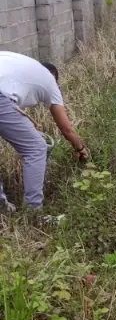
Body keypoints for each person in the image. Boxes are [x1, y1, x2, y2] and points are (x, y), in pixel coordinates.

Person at [0, 51, 88, 211]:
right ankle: (33, 212)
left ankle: (1, 205)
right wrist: (80, 148)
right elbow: (66, 129)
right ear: (54, 75)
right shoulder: (49, 81)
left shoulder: (20, 65)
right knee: (36, 148)